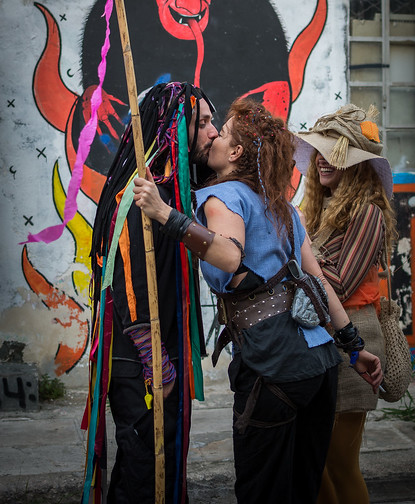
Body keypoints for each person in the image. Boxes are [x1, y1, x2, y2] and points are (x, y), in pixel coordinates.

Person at [133, 97, 383, 504]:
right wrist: (354, 347)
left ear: (235, 152)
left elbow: (229, 256)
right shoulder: (281, 204)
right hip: (321, 366)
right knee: (302, 491)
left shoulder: (222, 197)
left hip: (273, 365)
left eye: (221, 132)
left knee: (262, 493)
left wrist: (164, 214)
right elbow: (319, 281)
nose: (211, 136)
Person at [81, 81, 218, 504]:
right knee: (144, 474)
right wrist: (155, 360)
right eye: (202, 123)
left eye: (212, 122)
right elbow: (129, 281)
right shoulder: (142, 196)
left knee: (160, 468)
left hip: (160, 355)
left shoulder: (170, 192)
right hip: (142, 362)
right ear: (175, 129)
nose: (213, 131)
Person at [292, 103, 396, 504]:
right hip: (322, 339)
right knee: (313, 459)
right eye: (320, 151)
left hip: (355, 337)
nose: (322, 160)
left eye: (335, 153)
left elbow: (339, 282)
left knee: (339, 461)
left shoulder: (368, 213)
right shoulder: (319, 209)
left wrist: (299, 248)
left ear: (356, 165)